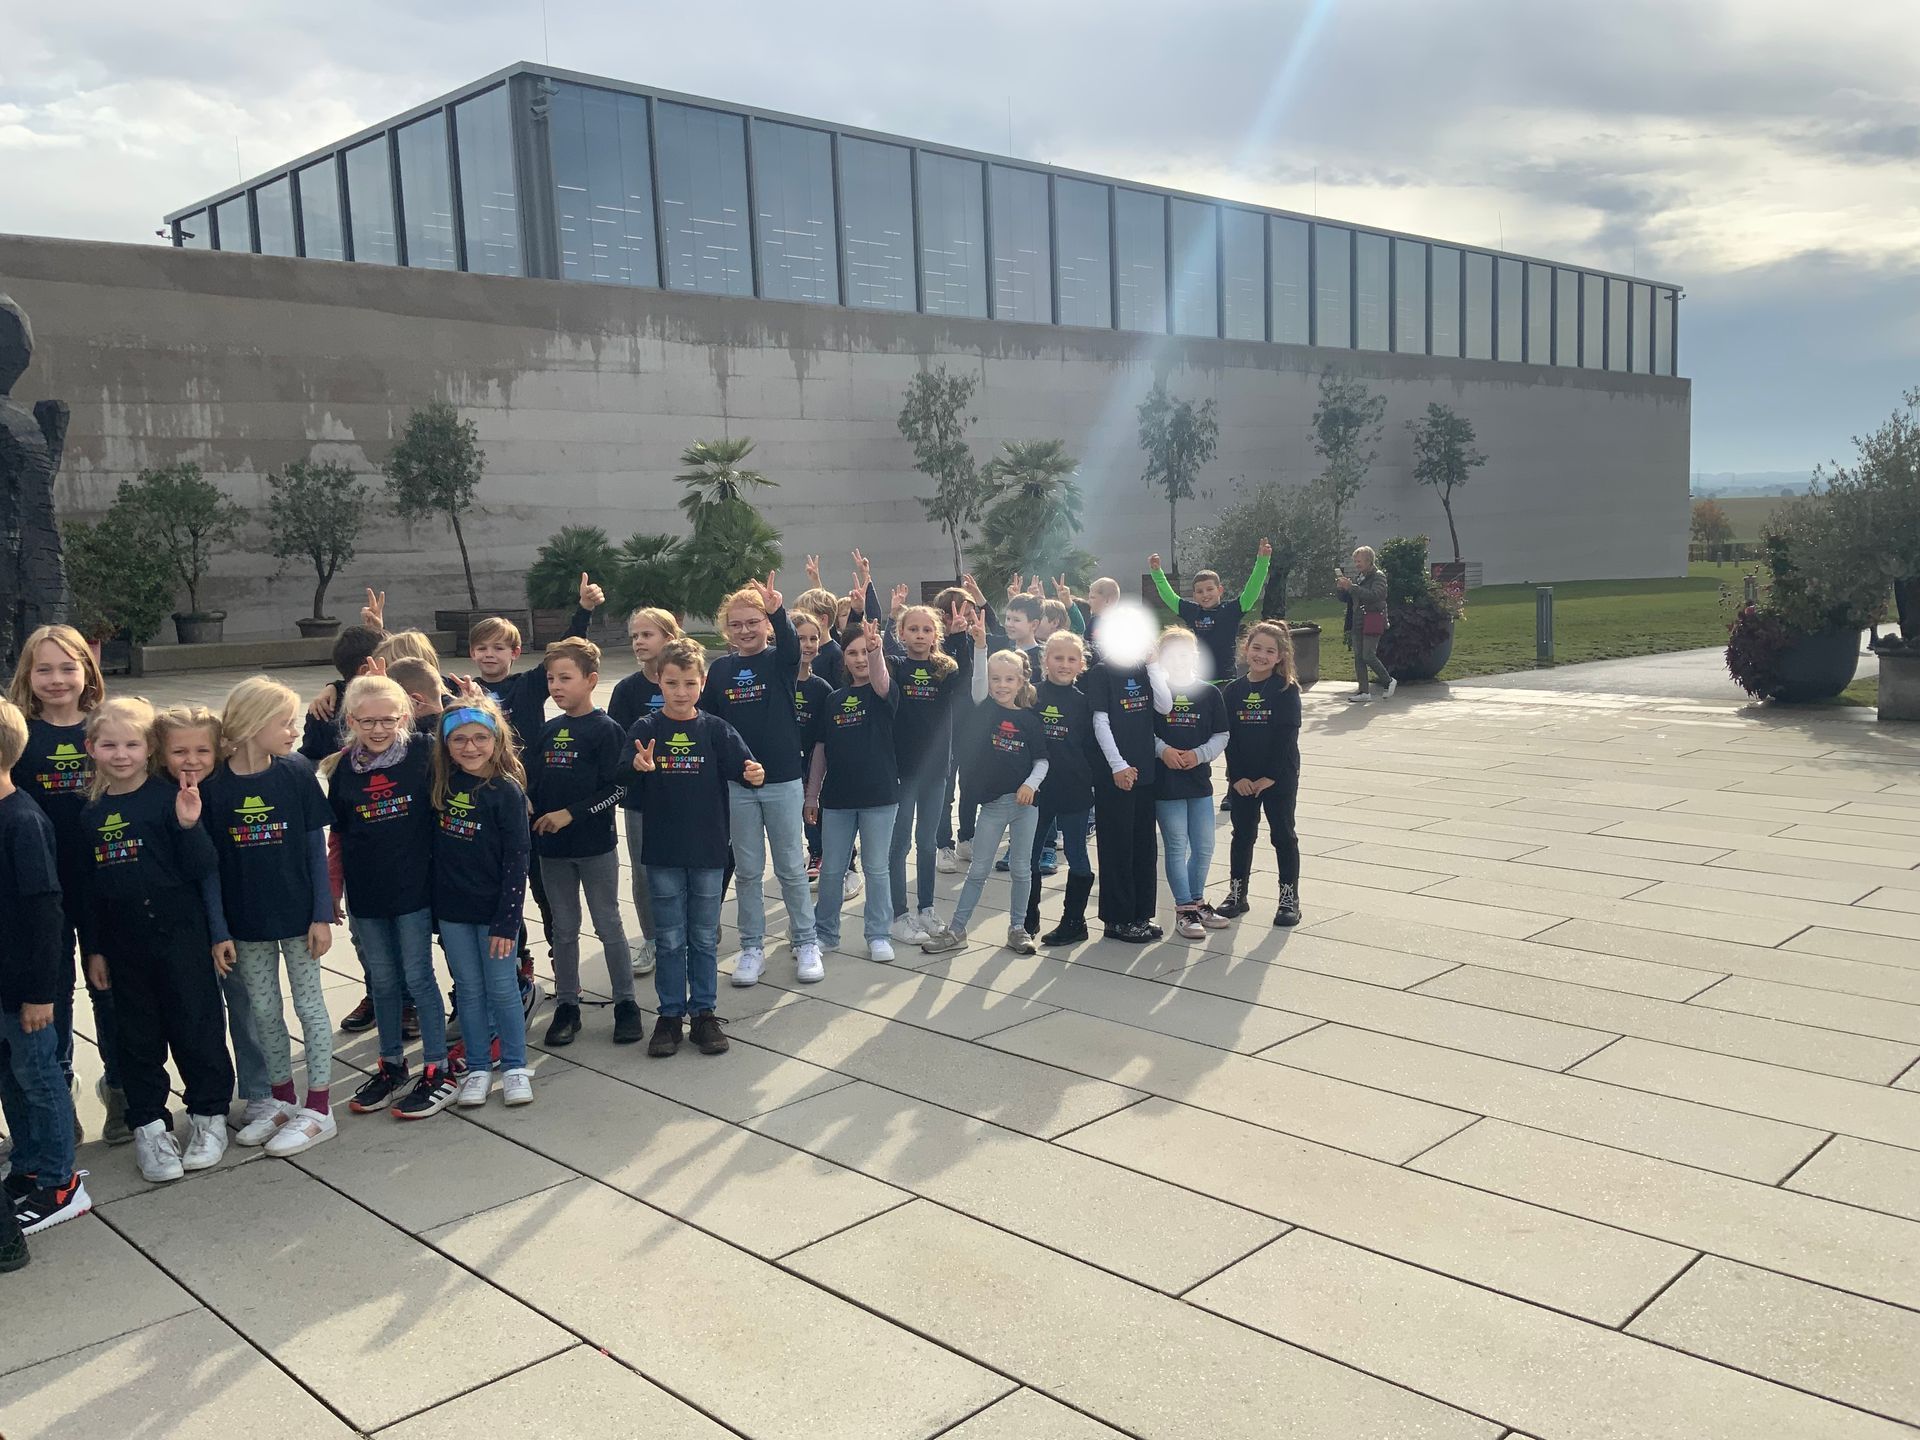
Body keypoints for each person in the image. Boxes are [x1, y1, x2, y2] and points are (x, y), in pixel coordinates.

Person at [79, 697, 235, 1181]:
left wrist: (189, 825)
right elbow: (88, 889)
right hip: (124, 944)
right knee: (137, 1039)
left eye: (131, 744)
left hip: (181, 935)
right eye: (109, 745)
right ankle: (149, 1126)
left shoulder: (172, 798)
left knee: (197, 1027)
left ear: (149, 748)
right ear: (91, 748)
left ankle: (209, 1116)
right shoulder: (90, 813)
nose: (121, 754)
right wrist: (94, 948)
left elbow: (202, 866)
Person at [202, 678, 336, 1156]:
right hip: (247, 923)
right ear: (253, 724)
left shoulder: (297, 771)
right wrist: (219, 929)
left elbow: (316, 849)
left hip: (299, 919)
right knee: (263, 1011)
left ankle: (319, 1106)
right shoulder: (214, 786)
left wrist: (322, 913)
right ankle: (282, 1099)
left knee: (309, 1006)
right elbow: (209, 866)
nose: (294, 731)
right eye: (285, 722)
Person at [7, 623, 121, 1143]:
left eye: (67, 668)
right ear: (28, 675)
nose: (57, 679)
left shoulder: (108, 728)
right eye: (44, 669)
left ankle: (121, 1089)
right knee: (51, 995)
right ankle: (58, 1096)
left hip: (104, 882)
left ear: (87, 672)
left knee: (110, 990)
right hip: (39, 889)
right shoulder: (20, 736)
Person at [323, 676, 457, 1121]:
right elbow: (338, 835)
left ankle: (437, 1067)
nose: (378, 729)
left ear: (404, 716)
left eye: (388, 719)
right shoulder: (342, 768)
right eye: (367, 721)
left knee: (418, 977)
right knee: (382, 982)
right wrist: (333, 889)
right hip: (366, 894)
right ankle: (391, 1064)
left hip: (413, 889)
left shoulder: (423, 752)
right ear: (351, 720)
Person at [628, 637, 764, 1056]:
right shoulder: (646, 729)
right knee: (669, 938)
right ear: (659, 681)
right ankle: (670, 1015)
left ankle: (704, 1013)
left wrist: (754, 774)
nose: (681, 691)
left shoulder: (716, 729)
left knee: (704, 937)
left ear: (702, 683)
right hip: (663, 851)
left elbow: (746, 769)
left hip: (708, 850)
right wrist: (636, 766)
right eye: (672, 683)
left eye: (689, 683)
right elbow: (620, 775)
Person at [153, 704, 275, 1138]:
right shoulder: (158, 795)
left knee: (246, 1005)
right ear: (160, 753)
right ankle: (206, 1097)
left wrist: (222, 928)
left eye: (202, 750)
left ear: (220, 749)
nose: (191, 760)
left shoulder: (227, 788)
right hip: (182, 921)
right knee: (198, 1014)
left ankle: (260, 1089)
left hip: (235, 914)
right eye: (179, 751)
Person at [699, 576, 821, 986]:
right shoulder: (721, 670)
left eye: (753, 622)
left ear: (766, 625)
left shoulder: (779, 660)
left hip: (783, 780)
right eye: (736, 624)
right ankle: (751, 947)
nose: (745, 630)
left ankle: (806, 941)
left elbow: (791, 646)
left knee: (790, 867)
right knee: (748, 871)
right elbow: (710, 724)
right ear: (726, 630)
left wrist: (777, 610)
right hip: (739, 785)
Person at [0, 696, 88, 1235]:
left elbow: (44, 913)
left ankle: (61, 1182)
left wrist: (39, 993)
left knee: (39, 1078)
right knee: (10, 1079)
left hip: (28, 988)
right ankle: (28, 1163)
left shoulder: (23, 821)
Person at [529, 637, 642, 1046]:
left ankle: (626, 1003)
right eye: (551, 679)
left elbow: (619, 789)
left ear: (591, 680)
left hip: (595, 848)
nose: (556, 686)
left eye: (565, 678)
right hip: (553, 851)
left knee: (608, 924)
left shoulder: (607, 731)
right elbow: (533, 780)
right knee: (563, 929)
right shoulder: (549, 730)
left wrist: (571, 814)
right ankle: (567, 1005)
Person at [921, 623, 1049, 956]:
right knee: (978, 870)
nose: (1001, 685)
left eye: (1009, 679)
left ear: (1021, 681)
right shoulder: (985, 707)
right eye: (996, 679)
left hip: (1025, 808)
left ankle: (1018, 928)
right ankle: (957, 929)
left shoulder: (1030, 720)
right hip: (992, 807)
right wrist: (980, 646)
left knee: (1022, 870)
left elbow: (1042, 762)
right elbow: (978, 681)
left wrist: (1030, 784)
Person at [431, 698, 535, 1107]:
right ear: (445, 744)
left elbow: (518, 859)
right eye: (459, 739)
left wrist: (508, 921)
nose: (470, 747)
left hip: (495, 915)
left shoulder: (506, 791)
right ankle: (477, 1067)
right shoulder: (442, 784)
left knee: (503, 989)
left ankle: (514, 1066)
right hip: (453, 912)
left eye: (479, 738)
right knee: (469, 992)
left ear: (496, 740)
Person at [804, 620, 898, 963]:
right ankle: (824, 933)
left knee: (876, 868)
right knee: (832, 869)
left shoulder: (884, 693)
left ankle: (878, 934)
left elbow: (881, 679)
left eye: (865, 652)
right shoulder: (833, 700)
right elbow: (820, 751)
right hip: (838, 800)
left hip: (879, 797)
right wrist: (812, 796)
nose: (860, 659)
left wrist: (876, 652)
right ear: (843, 657)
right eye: (853, 653)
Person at [882, 600, 961, 943]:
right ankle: (898, 914)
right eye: (912, 628)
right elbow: (877, 666)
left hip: (936, 770)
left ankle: (926, 908)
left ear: (936, 635)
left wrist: (963, 638)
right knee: (899, 844)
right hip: (903, 770)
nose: (919, 634)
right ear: (901, 633)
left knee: (927, 842)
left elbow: (968, 681)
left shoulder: (945, 669)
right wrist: (881, 622)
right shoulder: (896, 666)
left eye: (927, 629)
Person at [608, 606, 681, 976]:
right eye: (635, 635)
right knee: (643, 872)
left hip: (686, 793)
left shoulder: (688, 682)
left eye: (647, 634)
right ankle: (652, 940)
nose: (638, 642)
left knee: (691, 866)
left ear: (669, 638)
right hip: (641, 799)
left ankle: (692, 930)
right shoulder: (626, 690)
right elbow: (615, 746)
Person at [1216, 622, 1304, 926]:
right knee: (1242, 834)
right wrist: (1237, 777)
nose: (1261, 655)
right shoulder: (1233, 691)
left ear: (1280, 656)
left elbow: (1286, 737)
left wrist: (1271, 777)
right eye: (1256, 648)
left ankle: (1289, 899)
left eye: (1269, 651)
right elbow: (1229, 738)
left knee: (1283, 835)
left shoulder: (1286, 690)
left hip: (1278, 777)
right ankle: (1237, 894)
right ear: (1246, 649)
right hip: (1243, 779)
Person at [1151, 628, 1232, 939]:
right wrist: (1163, 750)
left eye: (1185, 654)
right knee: (1176, 845)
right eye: (1171, 655)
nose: (1179, 660)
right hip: (1166, 782)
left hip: (1198, 780)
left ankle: (1198, 901)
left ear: (1195, 656)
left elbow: (1221, 734)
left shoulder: (1209, 693)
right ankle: (1184, 909)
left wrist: (1200, 755)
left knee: (1204, 845)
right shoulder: (1157, 693)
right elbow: (1144, 732)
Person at [1026, 631, 1098, 946]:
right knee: (1028, 856)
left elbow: (1093, 746)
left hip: (1074, 789)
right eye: (1058, 658)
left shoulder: (1085, 703)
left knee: (1076, 853)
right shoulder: (1031, 695)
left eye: (1071, 659)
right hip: (1036, 790)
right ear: (1045, 660)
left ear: (1081, 664)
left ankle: (1074, 922)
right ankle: (1027, 918)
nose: (1064, 664)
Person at [1089, 643, 1162, 944]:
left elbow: (1164, 706)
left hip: (1144, 772)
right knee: (1117, 848)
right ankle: (1118, 919)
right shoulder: (1101, 672)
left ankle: (1141, 914)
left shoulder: (1144, 669)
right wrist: (1118, 765)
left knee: (1144, 847)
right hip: (1115, 775)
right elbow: (1100, 721)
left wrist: (1154, 664)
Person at [1148, 539, 1272, 682]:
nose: (1205, 595)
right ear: (1194, 596)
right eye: (1200, 591)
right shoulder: (1191, 611)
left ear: (1220, 590)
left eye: (1210, 589)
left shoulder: (1231, 610)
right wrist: (1157, 573)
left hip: (1226, 680)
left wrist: (1263, 562)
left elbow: (1252, 589)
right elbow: (1169, 596)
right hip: (1199, 682)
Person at [789, 609, 834, 882]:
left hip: (811, 761)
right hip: (783, 761)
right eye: (800, 638)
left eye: (813, 638)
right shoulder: (779, 682)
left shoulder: (822, 689)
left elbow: (824, 736)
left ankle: (818, 852)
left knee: (814, 809)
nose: (807, 645)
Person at [1338, 545, 1395, 703]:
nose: (1356, 564)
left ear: (1369, 560)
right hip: (1358, 621)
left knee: (1368, 655)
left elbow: (1375, 595)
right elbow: (1350, 599)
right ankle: (1364, 691)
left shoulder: (1378, 576)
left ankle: (1388, 680)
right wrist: (1343, 589)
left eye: (1359, 561)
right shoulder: (1360, 577)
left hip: (1372, 620)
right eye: (1355, 561)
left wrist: (1352, 587)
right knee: (1358, 657)